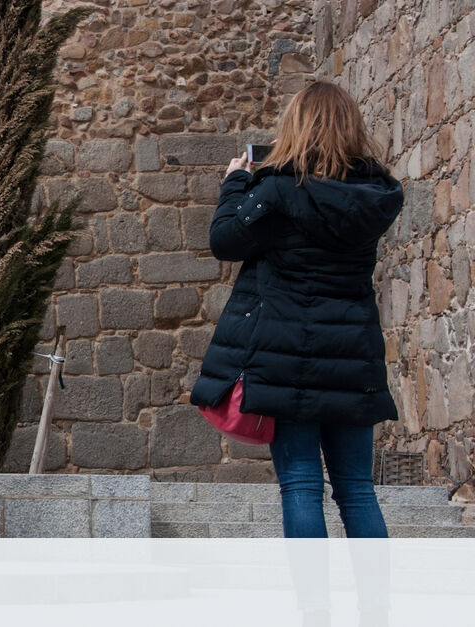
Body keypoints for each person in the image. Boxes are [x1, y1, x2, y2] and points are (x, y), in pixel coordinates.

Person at [190, 81, 403, 540]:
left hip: (286, 358)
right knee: (358, 491)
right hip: (353, 356)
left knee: (302, 485)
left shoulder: (280, 191)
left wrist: (234, 183)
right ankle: (378, 611)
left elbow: (224, 241)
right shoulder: (375, 194)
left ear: (296, 127)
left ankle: (313, 612)